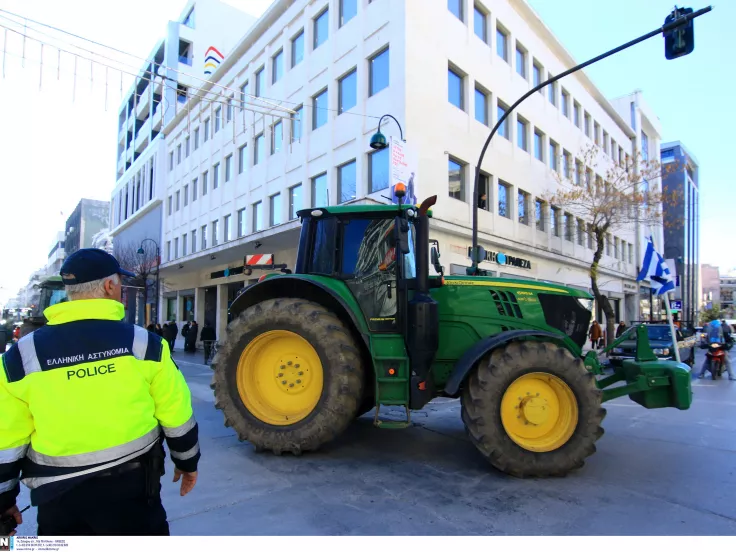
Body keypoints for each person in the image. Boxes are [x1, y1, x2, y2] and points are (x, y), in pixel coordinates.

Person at [0, 248, 201, 536]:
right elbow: (176, 414)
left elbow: (6, 438)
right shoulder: (145, 344)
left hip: (57, 499)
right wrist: (187, 462)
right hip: (134, 493)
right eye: (120, 282)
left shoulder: (20, 356)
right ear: (110, 286)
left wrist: (4, 501)